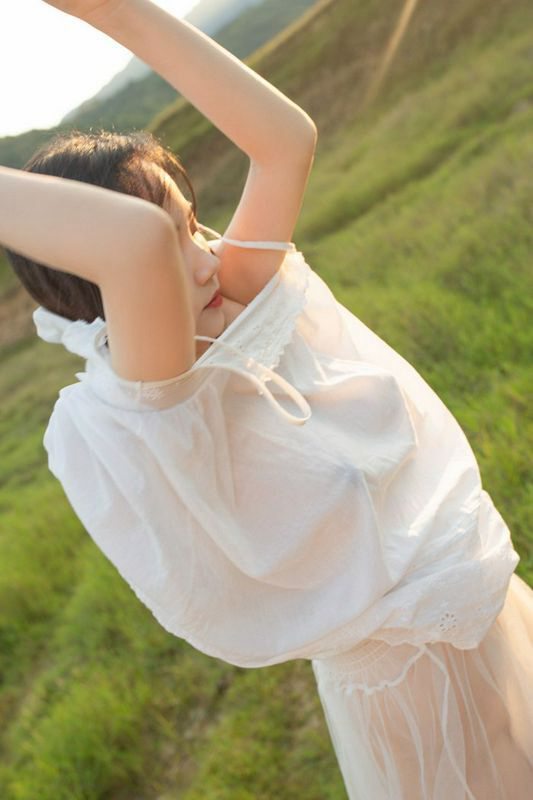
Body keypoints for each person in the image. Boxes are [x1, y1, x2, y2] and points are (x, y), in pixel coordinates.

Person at [1, 1, 531, 798]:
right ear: (97, 287)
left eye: (192, 225)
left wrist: (118, 13)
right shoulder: (156, 397)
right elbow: (134, 244)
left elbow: (285, 141)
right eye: (170, 245)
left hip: (474, 600)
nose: (203, 258)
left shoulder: (232, 301)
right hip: (410, 678)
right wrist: (152, 239)